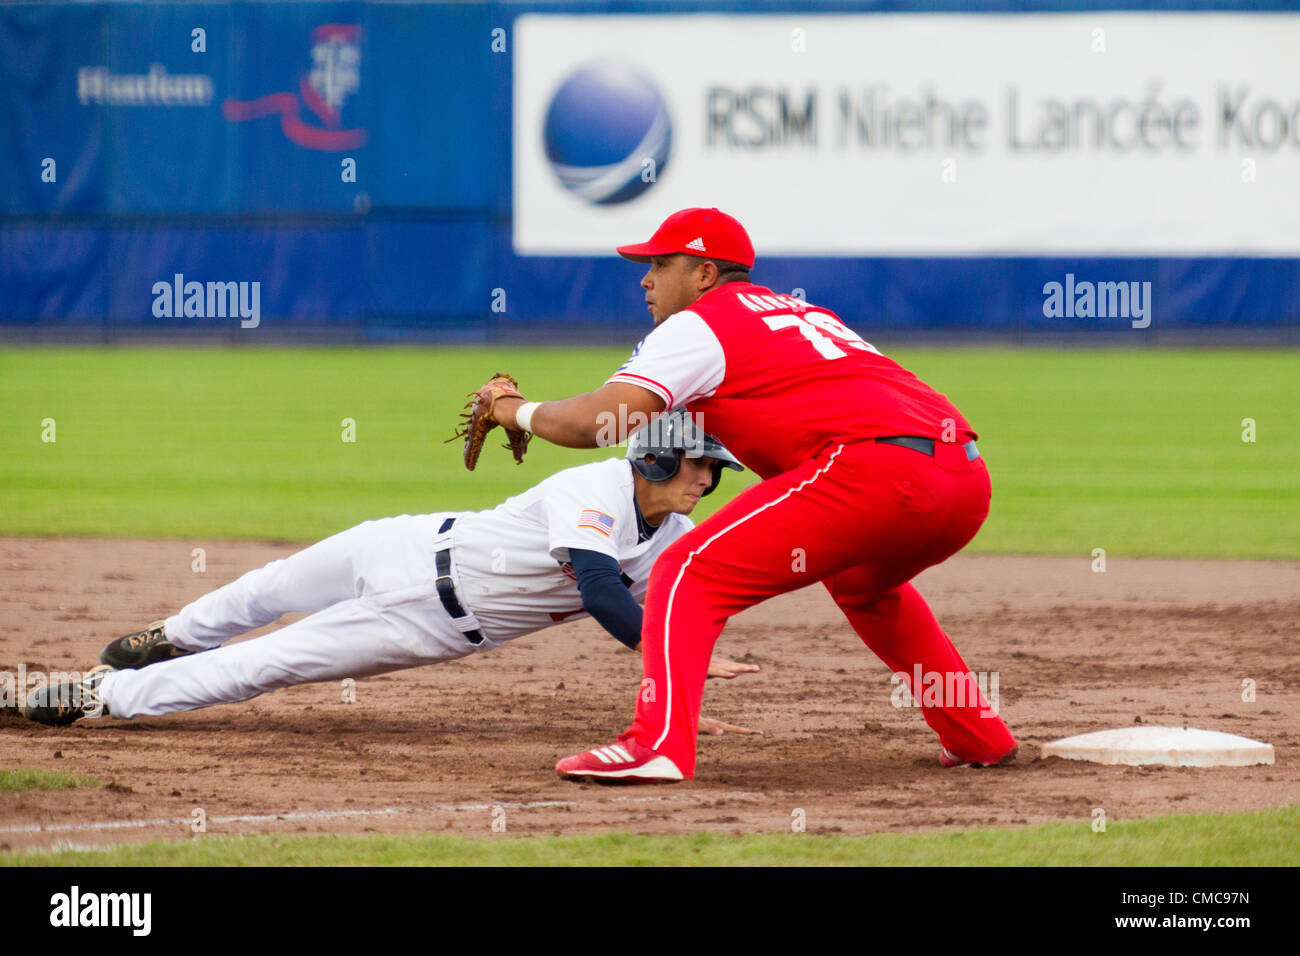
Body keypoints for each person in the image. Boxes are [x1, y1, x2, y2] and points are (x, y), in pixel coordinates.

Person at [472, 206, 1019, 783]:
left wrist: (514, 410)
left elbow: (599, 424)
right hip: (963, 475)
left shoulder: (697, 326)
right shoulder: (801, 312)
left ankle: (655, 745)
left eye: (661, 262)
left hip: (876, 469)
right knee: (864, 587)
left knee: (687, 570)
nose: (646, 278)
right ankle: (976, 732)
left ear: (705, 274)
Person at [23, 412, 760, 734]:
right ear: (658, 458)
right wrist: (671, 656)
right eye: (702, 465)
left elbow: (664, 618)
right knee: (270, 587)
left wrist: (680, 696)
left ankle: (102, 697)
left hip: (424, 627)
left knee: (263, 665)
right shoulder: (595, 487)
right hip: (406, 543)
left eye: (714, 472)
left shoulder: (674, 541)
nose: (708, 481)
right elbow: (602, 590)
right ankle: (173, 635)